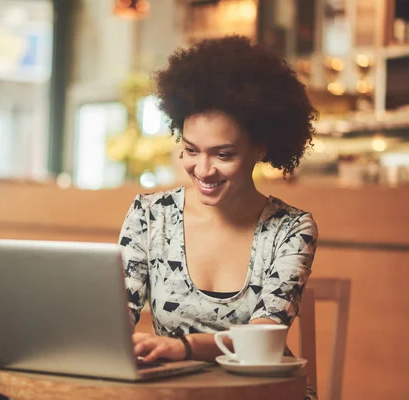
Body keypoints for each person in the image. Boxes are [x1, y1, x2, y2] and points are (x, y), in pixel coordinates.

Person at [119, 35, 318, 399]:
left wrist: (185, 347)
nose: (203, 170)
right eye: (191, 150)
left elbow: (265, 336)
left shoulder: (290, 229)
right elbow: (113, 321)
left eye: (223, 154)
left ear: (261, 147)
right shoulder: (150, 216)